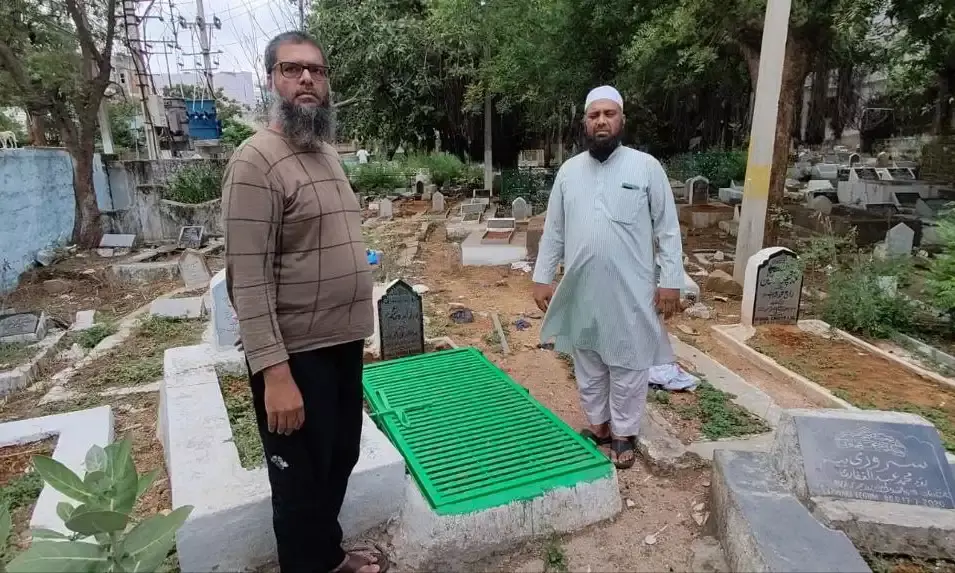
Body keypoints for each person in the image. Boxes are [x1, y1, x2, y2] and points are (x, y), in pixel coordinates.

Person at [221, 31, 388, 573]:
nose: (308, 80)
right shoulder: (257, 162)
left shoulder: (325, 155)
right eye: (293, 70)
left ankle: (327, 557)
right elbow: (246, 279)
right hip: (296, 356)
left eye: (316, 70)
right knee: (298, 481)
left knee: (338, 459)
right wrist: (274, 373)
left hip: (341, 345)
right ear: (273, 79)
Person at [531, 85, 684, 470]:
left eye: (609, 114)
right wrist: (542, 277)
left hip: (632, 289)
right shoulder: (568, 172)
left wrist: (670, 281)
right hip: (582, 288)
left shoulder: (646, 167)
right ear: (585, 122)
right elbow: (555, 230)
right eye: (594, 115)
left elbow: (667, 229)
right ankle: (599, 428)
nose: (601, 121)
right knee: (588, 360)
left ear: (621, 120)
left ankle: (624, 435)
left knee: (629, 364)